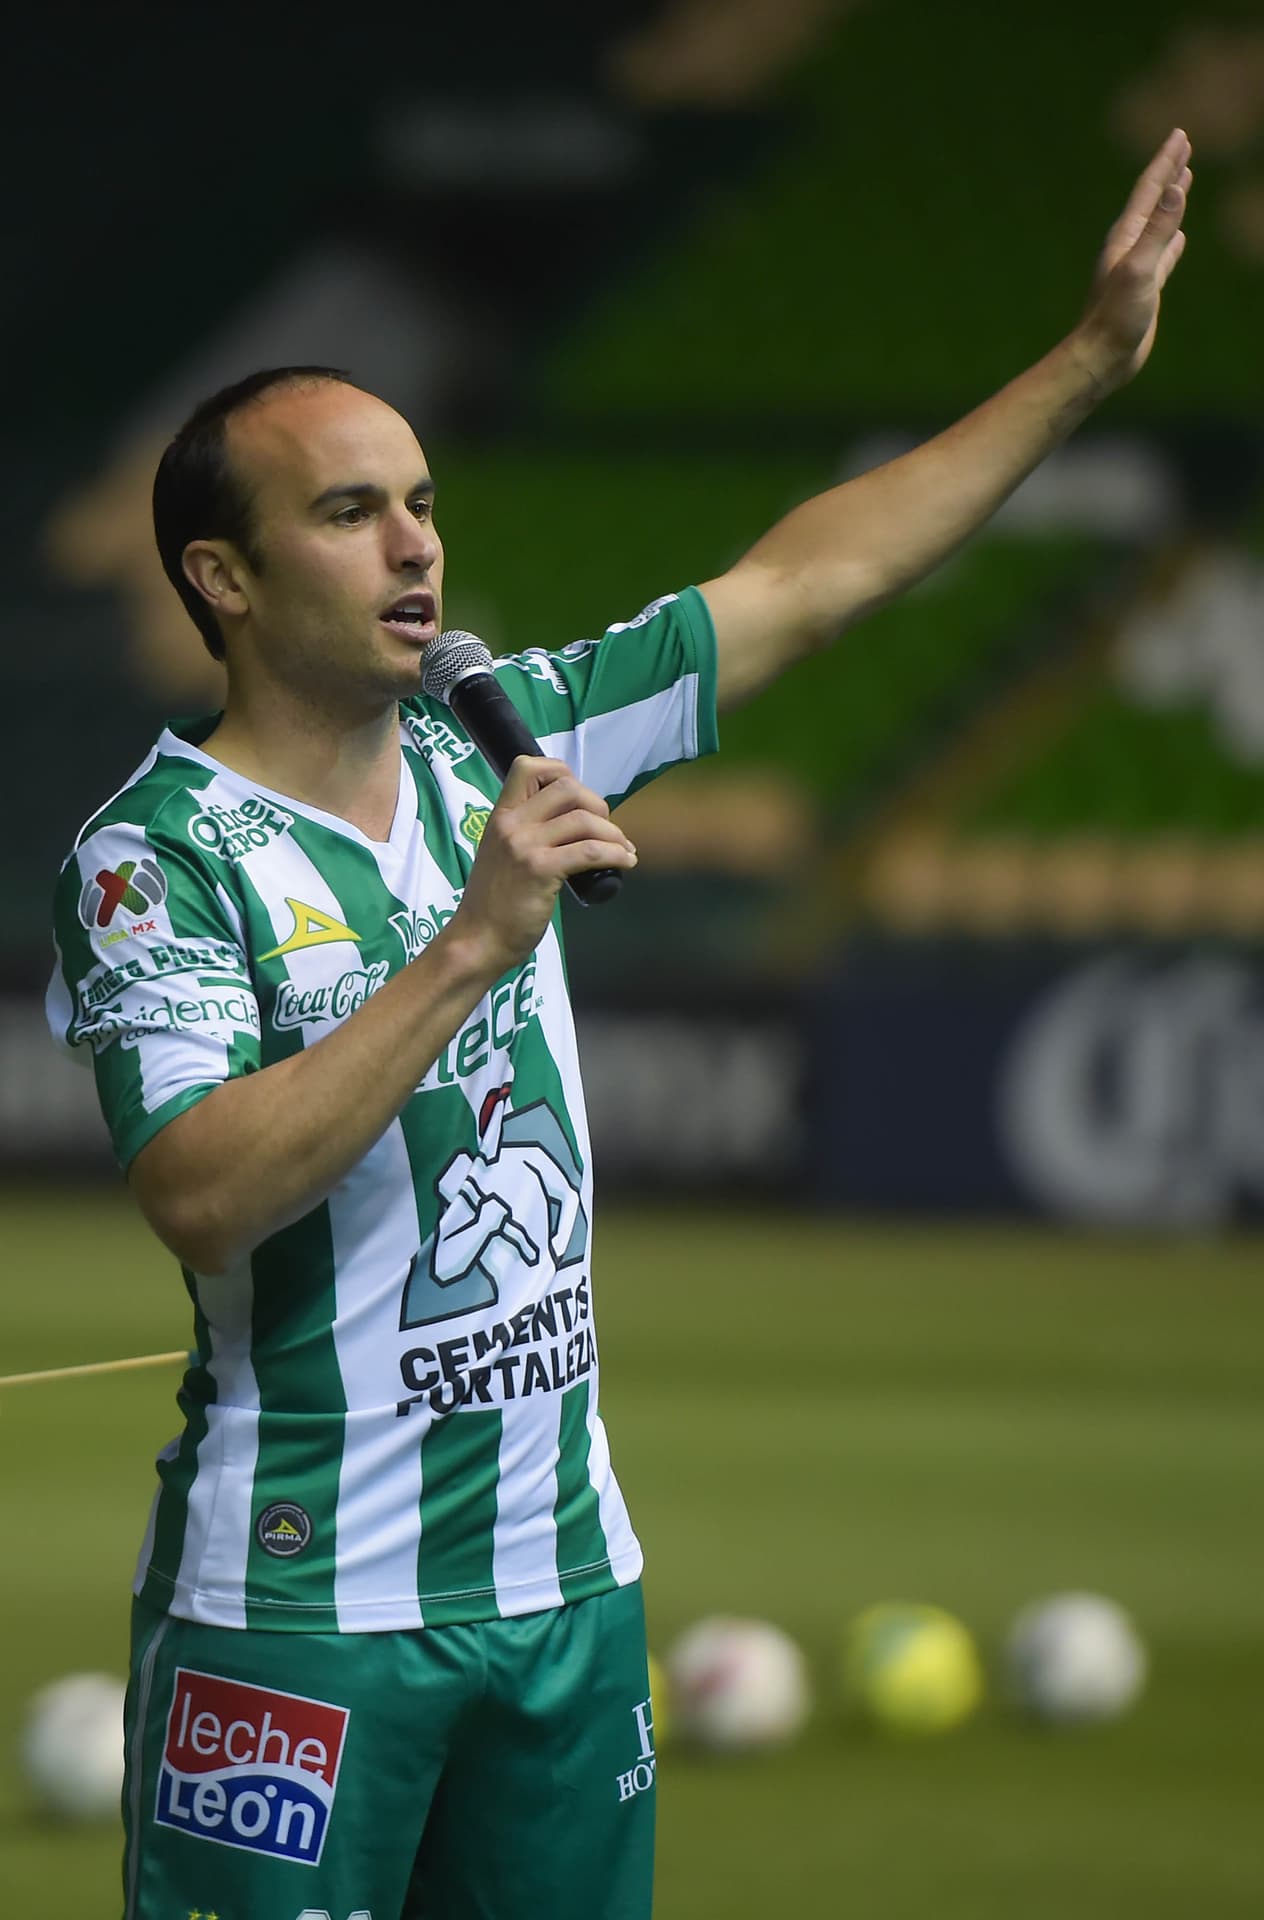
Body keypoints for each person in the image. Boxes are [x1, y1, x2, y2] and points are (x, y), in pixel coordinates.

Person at [48, 131, 1190, 1920]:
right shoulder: (154, 861)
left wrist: (1088, 366)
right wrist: (474, 945)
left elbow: (811, 576)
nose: (416, 544)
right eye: (349, 513)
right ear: (225, 580)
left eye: (422, 499)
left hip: (569, 1590)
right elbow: (199, 1192)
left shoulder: (507, 737)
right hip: (300, 1622)